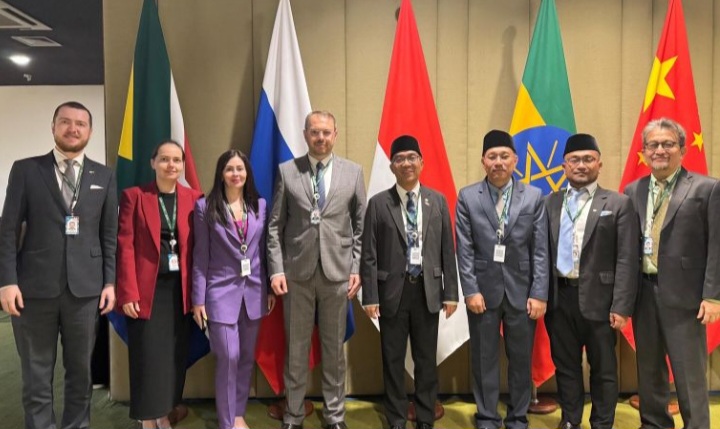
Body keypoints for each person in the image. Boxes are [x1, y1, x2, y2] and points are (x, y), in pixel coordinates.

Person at [0, 101, 117, 429]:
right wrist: (7, 281)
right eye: (65, 122)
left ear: (90, 131)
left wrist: (110, 282)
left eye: (81, 123)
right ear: (53, 127)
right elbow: (7, 231)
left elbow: (109, 235)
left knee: (81, 374)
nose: (73, 128)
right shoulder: (26, 170)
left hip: (86, 291)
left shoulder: (104, 176)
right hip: (34, 290)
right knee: (36, 375)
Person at [267, 110, 366, 429]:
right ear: (305, 135)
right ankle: (293, 415)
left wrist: (356, 267)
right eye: (314, 132)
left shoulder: (353, 172)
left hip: (338, 275)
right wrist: (276, 270)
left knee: (334, 351)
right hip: (296, 275)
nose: (320, 138)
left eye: (326, 132)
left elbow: (361, 227)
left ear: (335, 134)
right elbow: (274, 226)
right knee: (296, 350)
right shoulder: (287, 171)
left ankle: (335, 416)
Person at [624, 118, 720, 429]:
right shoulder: (633, 190)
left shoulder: (707, 188)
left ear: (682, 149)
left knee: (689, 375)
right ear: (644, 151)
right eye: (653, 144)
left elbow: (717, 246)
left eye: (668, 144)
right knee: (649, 371)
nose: (660, 150)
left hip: (686, 298)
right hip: (643, 294)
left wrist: (713, 296)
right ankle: (654, 424)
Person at [360, 135, 458, 429]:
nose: (406, 163)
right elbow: (369, 254)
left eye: (412, 157)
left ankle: (425, 418)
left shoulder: (437, 201)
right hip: (392, 294)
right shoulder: (378, 204)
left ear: (421, 163)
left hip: (428, 291)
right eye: (400, 159)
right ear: (392, 166)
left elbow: (447, 249)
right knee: (392, 360)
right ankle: (396, 418)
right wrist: (370, 296)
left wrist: (451, 293)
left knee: (426, 360)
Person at [455, 130, 549, 429]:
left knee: (520, 360)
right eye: (492, 156)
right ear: (483, 161)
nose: (498, 162)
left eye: (504, 156)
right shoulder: (468, 196)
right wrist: (470, 290)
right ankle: (487, 417)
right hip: (483, 292)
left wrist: (539, 293)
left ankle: (518, 417)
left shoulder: (533, 196)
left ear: (515, 160)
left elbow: (540, 250)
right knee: (484, 359)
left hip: (523, 292)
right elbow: (464, 248)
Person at [544, 134, 639, 429]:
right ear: (564, 166)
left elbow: (627, 258)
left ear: (599, 164)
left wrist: (621, 306)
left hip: (602, 301)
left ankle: (602, 423)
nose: (581, 165)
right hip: (559, 299)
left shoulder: (619, 203)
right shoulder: (550, 202)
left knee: (604, 369)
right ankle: (570, 420)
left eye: (588, 159)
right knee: (566, 366)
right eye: (574, 160)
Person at [116, 140, 203, 429]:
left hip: (180, 292)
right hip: (145, 292)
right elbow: (125, 246)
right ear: (153, 163)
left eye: (176, 160)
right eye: (164, 159)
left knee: (173, 356)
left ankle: (164, 413)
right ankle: (147, 418)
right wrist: (128, 292)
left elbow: (201, 249)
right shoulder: (134, 197)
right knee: (147, 356)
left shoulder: (195, 198)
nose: (171, 165)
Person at [192, 150, 276, 429]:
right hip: (219, 293)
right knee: (229, 356)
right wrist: (198, 299)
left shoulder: (259, 205)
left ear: (247, 173)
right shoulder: (205, 207)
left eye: (240, 168)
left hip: (254, 292)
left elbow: (263, 251)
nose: (235, 174)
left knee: (246, 357)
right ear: (221, 173)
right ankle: (227, 422)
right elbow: (200, 257)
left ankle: (238, 413)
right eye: (230, 169)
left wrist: (269, 288)